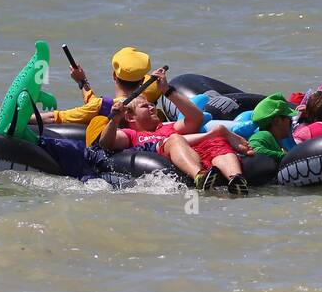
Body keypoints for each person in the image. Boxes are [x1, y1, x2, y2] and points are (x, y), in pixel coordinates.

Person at [98, 68, 252, 195]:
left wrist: (167, 91)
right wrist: (114, 120)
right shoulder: (131, 134)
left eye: (152, 104)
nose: (152, 107)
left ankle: (236, 179)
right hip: (173, 160)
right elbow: (106, 143)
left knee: (217, 142)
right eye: (145, 106)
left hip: (195, 154)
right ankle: (199, 177)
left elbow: (196, 118)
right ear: (130, 117)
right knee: (175, 139)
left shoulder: (169, 127)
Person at [41, 47, 161, 127]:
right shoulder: (149, 105)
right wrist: (82, 81)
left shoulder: (104, 106)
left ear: (114, 75)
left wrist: (23, 116)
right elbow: (95, 106)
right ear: (142, 81)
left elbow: (54, 118)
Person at [246, 93, 298, 159]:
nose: (290, 122)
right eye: (289, 118)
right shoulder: (263, 135)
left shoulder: (274, 139)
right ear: (277, 121)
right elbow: (254, 148)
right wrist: (284, 157)